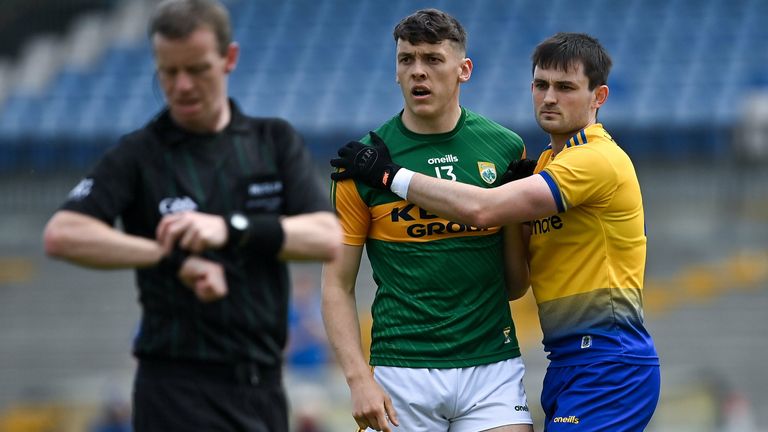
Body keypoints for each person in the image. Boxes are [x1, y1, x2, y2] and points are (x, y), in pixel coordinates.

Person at [332, 32, 660, 431]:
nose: (550, 97)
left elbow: (482, 209)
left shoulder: (596, 160)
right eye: (541, 85)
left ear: (599, 96)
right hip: (564, 360)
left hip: (608, 361)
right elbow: (513, 279)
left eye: (566, 87)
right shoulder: (540, 169)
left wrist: (389, 175)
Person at [43, 0, 341, 430]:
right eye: (168, 71)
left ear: (228, 59)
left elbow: (325, 236)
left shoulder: (272, 141)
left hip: (262, 388)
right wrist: (168, 257)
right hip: (173, 389)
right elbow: (62, 234)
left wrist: (228, 228)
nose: (181, 85)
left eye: (197, 69)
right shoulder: (139, 153)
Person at [323, 8, 533, 432]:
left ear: (463, 69)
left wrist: (515, 220)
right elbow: (336, 285)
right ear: (396, 71)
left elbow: (515, 285)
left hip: (492, 366)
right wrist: (358, 377)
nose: (418, 72)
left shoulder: (505, 149)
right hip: (400, 371)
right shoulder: (361, 164)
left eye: (433, 59)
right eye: (407, 60)